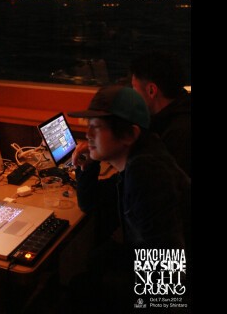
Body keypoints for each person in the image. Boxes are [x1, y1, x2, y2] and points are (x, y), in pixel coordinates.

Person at [61, 85, 191, 313]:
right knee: (94, 262)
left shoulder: (147, 176)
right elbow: (90, 203)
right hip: (146, 266)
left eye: (96, 127)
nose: (88, 135)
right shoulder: (137, 160)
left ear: (129, 134)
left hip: (169, 291)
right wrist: (89, 165)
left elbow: (166, 276)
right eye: (88, 126)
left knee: (80, 288)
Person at [130, 50, 191, 177]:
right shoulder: (172, 115)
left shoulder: (178, 135)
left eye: (134, 90)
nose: (132, 97)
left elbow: (157, 182)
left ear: (151, 90)